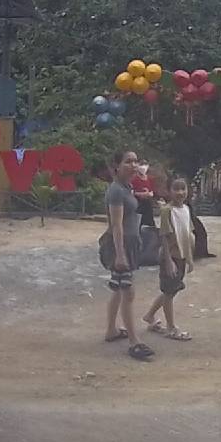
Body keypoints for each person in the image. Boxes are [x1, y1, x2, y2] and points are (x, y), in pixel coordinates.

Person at [98, 150, 154, 361]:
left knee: (119, 289)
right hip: (119, 246)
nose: (133, 165)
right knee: (127, 291)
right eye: (128, 161)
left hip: (129, 244)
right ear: (117, 166)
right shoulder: (116, 191)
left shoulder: (126, 187)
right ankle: (134, 341)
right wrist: (120, 255)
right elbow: (116, 225)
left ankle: (111, 330)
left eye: (135, 161)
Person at [143, 178, 196, 341]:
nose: (180, 192)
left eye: (183, 188)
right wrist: (169, 261)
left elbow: (187, 234)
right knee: (169, 293)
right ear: (169, 191)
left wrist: (189, 258)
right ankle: (171, 328)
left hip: (181, 256)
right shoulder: (167, 211)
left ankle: (149, 316)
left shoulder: (186, 209)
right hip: (171, 257)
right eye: (176, 189)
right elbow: (164, 237)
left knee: (170, 291)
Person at [132, 161, 156, 229]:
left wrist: (149, 194)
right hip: (138, 205)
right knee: (138, 225)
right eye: (141, 164)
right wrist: (141, 194)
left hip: (148, 205)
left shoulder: (150, 179)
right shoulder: (134, 179)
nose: (143, 167)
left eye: (145, 164)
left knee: (150, 225)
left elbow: (152, 192)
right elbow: (132, 192)